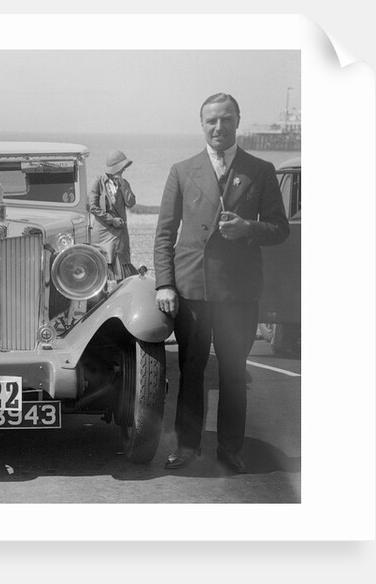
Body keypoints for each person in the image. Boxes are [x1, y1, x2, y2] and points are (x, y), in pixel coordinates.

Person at [153, 93, 289, 474]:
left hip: (237, 292)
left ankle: (230, 448)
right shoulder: (182, 170)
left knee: (232, 371)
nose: (218, 127)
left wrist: (249, 229)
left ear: (238, 121)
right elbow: (164, 234)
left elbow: (279, 229)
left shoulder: (260, 169)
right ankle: (186, 447)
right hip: (192, 289)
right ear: (202, 125)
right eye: (211, 121)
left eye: (226, 119)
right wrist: (165, 284)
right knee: (191, 371)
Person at [88, 150, 138, 281]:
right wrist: (111, 220)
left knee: (123, 271)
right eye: (122, 167)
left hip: (120, 234)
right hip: (103, 233)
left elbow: (131, 202)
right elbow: (92, 207)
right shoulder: (98, 182)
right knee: (102, 271)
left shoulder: (124, 183)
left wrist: (123, 185)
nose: (123, 170)